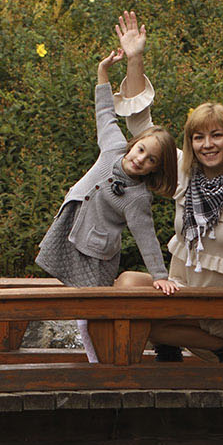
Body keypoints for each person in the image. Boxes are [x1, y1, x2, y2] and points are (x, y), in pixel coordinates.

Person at [109, 12, 223, 363]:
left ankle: (221, 346)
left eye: (216, 135)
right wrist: (135, 59)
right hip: (183, 297)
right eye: (198, 137)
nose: (207, 144)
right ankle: (179, 344)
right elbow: (142, 125)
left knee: (136, 323)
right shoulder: (185, 176)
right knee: (124, 289)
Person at [33, 28, 181, 361]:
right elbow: (104, 112)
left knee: (90, 309)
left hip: (97, 252)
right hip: (72, 228)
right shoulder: (113, 146)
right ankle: (101, 355)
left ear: (154, 169)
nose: (140, 159)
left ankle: (99, 359)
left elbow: (146, 237)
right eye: (141, 149)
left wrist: (160, 276)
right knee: (73, 301)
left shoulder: (138, 197)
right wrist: (103, 72)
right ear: (133, 144)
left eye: (150, 160)